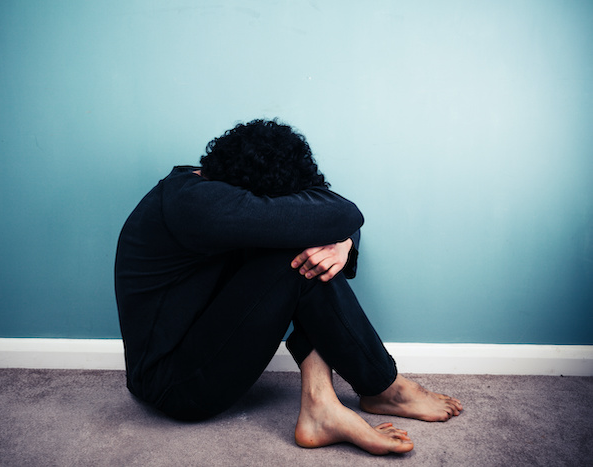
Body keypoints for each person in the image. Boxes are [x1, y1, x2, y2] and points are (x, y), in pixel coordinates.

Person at [114, 119, 462, 455]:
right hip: (172, 385)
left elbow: (331, 211)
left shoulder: (214, 187)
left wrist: (342, 245)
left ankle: (321, 404)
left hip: (200, 345)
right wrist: (338, 234)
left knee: (303, 252)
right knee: (295, 254)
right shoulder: (198, 205)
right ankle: (384, 389)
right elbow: (343, 213)